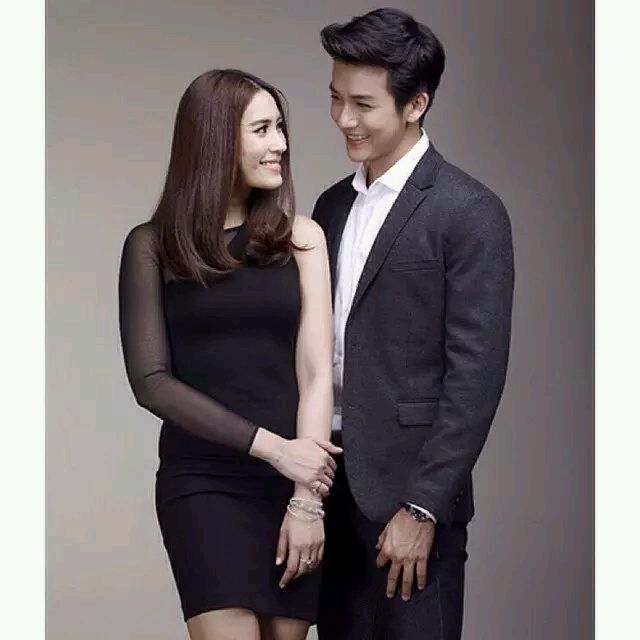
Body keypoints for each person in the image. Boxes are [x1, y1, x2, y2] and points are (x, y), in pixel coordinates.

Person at [311, 9, 515, 640]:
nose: (344, 119)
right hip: (327, 487)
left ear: (415, 104)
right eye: (336, 98)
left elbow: (475, 376)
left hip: (411, 496)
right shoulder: (330, 206)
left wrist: (424, 505)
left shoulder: (469, 211)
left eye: (363, 104)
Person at [118, 69, 339, 640]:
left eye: (281, 128)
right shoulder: (152, 246)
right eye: (262, 130)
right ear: (216, 140)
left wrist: (306, 499)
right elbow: (151, 382)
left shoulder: (303, 238)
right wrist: (275, 450)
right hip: (203, 481)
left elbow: (317, 374)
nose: (280, 144)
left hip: (293, 486)